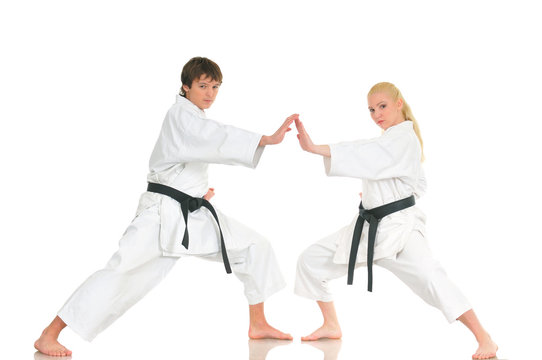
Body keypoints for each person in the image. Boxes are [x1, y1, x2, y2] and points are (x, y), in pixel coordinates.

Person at [34, 57, 294, 357]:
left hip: (190, 213)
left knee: (254, 246)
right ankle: (48, 334)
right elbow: (214, 138)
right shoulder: (181, 115)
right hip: (160, 215)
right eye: (203, 85)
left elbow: (187, 155)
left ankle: (258, 324)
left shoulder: (193, 116)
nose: (210, 93)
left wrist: (197, 192)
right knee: (121, 272)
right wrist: (265, 139)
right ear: (186, 86)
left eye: (215, 87)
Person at [293, 82, 498, 360]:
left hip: (399, 232)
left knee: (431, 279)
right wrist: (378, 195)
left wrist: (317, 148)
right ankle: (331, 324)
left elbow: (369, 155)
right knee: (310, 260)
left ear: (399, 103)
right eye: (371, 109)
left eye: (382, 106)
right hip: (367, 229)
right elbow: (416, 182)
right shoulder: (390, 140)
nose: (376, 113)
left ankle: (484, 338)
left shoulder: (403, 137)